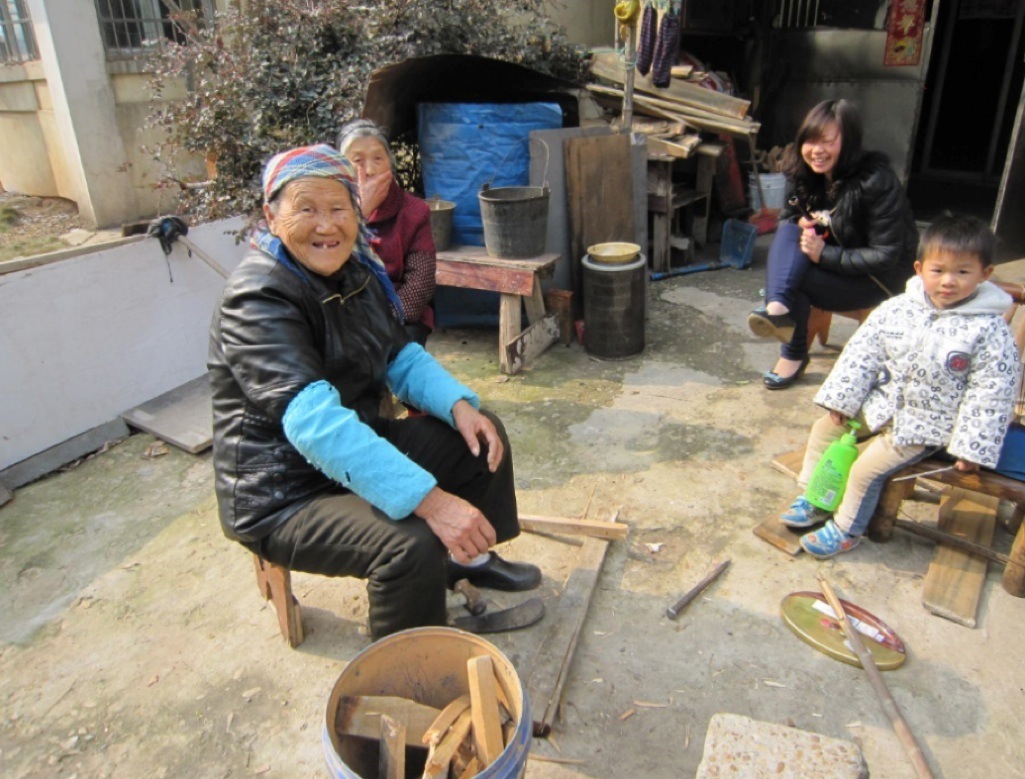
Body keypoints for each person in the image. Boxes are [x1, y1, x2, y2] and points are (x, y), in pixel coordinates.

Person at [208, 144, 540, 639]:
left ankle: (468, 561)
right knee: (408, 542)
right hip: (284, 492)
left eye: (339, 208)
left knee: (480, 436)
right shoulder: (257, 298)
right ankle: (406, 667)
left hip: (354, 448)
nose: (327, 225)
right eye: (307, 209)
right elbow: (313, 424)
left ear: (356, 213)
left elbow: (397, 356)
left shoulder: (357, 272)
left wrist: (457, 405)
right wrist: (431, 502)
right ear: (270, 216)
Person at [779, 214, 1020, 558]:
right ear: (920, 269)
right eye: (938, 271)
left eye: (962, 272)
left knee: (865, 470)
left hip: (927, 426)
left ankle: (847, 528)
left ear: (985, 275)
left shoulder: (989, 331)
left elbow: (992, 392)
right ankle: (814, 497)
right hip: (881, 404)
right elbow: (862, 354)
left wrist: (972, 446)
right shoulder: (896, 309)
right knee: (823, 431)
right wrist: (842, 400)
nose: (948, 281)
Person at [748, 99, 919, 389]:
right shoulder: (804, 174)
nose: (816, 151)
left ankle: (792, 351)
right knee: (790, 229)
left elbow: (885, 256)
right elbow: (789, 217)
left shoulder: (876, 182)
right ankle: (777, 307)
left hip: (876, 279)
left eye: (827, 141)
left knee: (797, 281)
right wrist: (803, 224)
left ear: (849, 142)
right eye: (810, 140)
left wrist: (824, 254)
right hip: (833, 266)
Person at [337, 118, 436, 346]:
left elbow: (421, 282)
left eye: (378, 159)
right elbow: (327, 271)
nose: (369, 170)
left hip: (401, 315)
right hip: (347, 313)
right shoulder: (329, 214)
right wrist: (361, 212)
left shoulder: (415, 212)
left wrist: (384, 319)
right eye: (357, 161)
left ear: (389, 165)